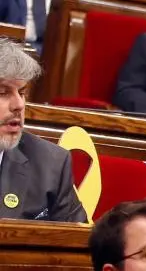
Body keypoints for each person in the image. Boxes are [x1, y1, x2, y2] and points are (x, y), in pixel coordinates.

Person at [0, 38, 87, 223]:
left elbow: (77, 246)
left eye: (22, 92)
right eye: (3, 92)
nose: (19, 105)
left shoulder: (50, 163)